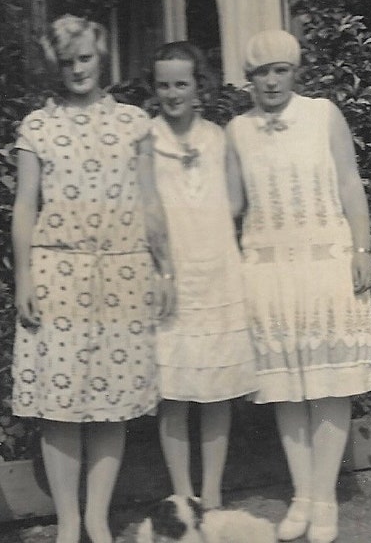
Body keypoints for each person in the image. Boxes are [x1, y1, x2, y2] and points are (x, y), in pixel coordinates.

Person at [10, 14, 175, 543]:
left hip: (124, 272)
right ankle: (67, 522)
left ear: (101, 58)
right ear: (54, 65)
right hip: (57, 272)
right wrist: (23, 279)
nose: (77, 69)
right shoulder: (37, 126)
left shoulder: (134, 123)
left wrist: (164, 268)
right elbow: (23, 209)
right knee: (59, 407)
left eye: (85, 58)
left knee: (111, 404)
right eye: (67, 61)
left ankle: (99, 518)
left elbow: (151, 201)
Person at [226, 30, 371, 543]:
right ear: (249, 79)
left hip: (325, 260)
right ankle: (302, 495)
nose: (270, 80)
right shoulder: (238, 130)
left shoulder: (323, 113)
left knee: (330, 382)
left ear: (294, 72)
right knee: (286, 386)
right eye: (260, 72)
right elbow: (228, 206)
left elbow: (349, 183)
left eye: (279, 70)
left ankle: (325, 499)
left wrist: (362, 249)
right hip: (266, 269)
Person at [149, 41, 259, 510]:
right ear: (155, 90)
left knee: (215, 390)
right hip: (168, 274)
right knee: (173, 390)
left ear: (199, 87)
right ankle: (181, 491)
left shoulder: (219, 137)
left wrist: (205, 224)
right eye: (164, 84)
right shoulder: (146, 137)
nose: (173, 93)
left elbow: (236, 201)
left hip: (216, 270)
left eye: (182, 83)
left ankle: (211, 492)